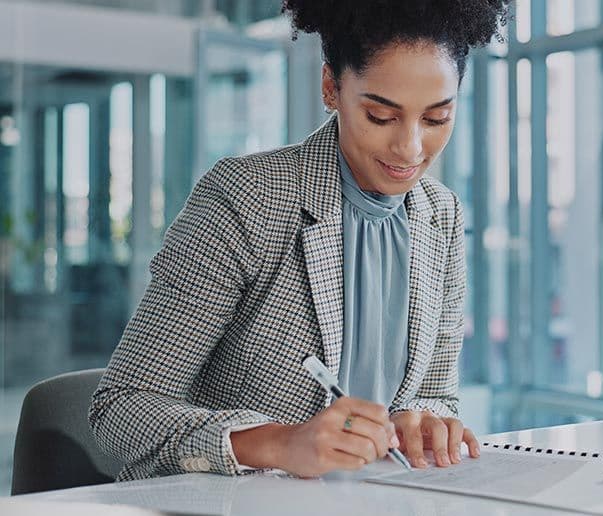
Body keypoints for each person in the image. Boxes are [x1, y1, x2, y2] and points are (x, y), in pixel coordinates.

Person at [90, 0, 510, 480]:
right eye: (380, 116)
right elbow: (119, 408)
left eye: (436, 119)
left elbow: (434, 390)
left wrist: (421, 421)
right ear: (331, 86)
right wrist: (280, 443)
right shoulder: (248, 199)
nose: (410, 148)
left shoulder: (442, 215)